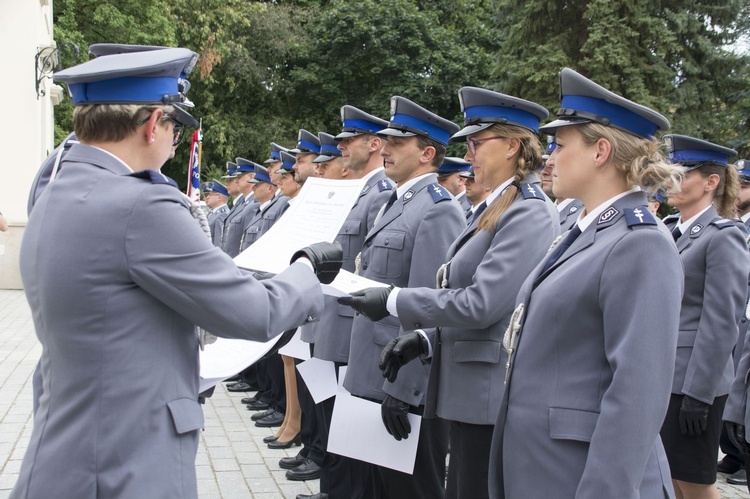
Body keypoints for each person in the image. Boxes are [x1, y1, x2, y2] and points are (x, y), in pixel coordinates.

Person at [10, 46, 343, 499]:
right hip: (124, 465)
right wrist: (306, 271)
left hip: (66, 454)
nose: (173, 142)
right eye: (175, 127)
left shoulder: (55, 191)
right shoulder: (140, 205)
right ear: (152, 124)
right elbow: (253, 313)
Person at [342, 87, 558, 499]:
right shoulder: (496, 205)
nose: (469, 153)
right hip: (463, 388)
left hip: (485, 393)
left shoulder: (528, 209)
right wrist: (424, 339)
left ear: (512, 145)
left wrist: (392, 300)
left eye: (477, 142)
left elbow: (483, 303)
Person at [487, 68, 685, 498]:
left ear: (601, 151)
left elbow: (636, 397)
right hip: (545, 469)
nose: (549, 158)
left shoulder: (640, 244)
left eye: (560, 145)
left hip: (583, 479)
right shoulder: (582, 232)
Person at [339, 96, 466, 499]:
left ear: (428, 154)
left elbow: (430, 303)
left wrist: (407, 390)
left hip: (400, 380)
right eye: (386, 138)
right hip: (373, 368)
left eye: (399, 141)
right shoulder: (392, 202)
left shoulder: (436, 210)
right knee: (378, 488)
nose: (386, 147)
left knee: (412, 490)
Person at [293, 107, 394, 499]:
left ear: (373, 144)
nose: (340, 147)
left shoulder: (380, 193)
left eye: (348, 140)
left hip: (352, 328)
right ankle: (332, 490)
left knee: (345, 429)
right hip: (329, 322)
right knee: (329, 418)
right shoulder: (357, 191)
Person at [660, 134, 749, 499]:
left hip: (693, 386)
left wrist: (699, 394)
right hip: (665, 379)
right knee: (672, 481)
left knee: (695, 485)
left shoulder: (723, 236)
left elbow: (720, 322)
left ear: (711, 182)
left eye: (682, 173)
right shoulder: (671, 230)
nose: (670, 181)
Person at [539, 136, 584, 231]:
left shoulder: (583, 215)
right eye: (544, 165)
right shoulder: (544, 212)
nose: (544, 172)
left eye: (554, 166)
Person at [202, 179, 229, 247]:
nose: (207, 197)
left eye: (210, 195)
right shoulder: (212, 213)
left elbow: (219, 242)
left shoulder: (223, 215)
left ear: (219, 197)